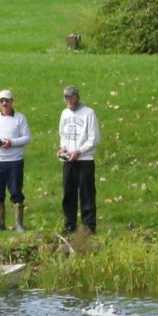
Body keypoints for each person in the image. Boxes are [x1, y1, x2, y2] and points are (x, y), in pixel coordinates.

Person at [0, 89, 31, 231]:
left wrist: (11, 142)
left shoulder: (20, 118)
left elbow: (27, 138)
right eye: (2, 101)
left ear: (12, 101)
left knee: (16, 191)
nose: (4, 103)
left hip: (14, 161)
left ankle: (19, 224)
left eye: (7, 101)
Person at [57, 84, 100, 234]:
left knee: (86, 192)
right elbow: (63, 134)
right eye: (66, 98)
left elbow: (94, 138)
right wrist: (63, 148)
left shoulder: (89, 113)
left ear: (77, 97)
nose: (69, 100)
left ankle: (89, 225)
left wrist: (79, 151)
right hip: (69, 159)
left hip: (84, 159)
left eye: (72, 97)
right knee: (68, 192)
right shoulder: (64, 114)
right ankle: (70, 224)